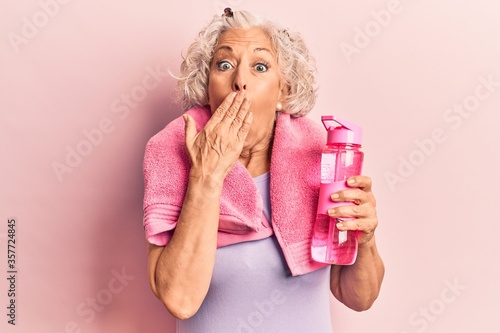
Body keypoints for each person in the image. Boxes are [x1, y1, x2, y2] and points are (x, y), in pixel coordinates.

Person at [142, 8, 384, 333]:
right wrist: (206, 176)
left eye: (260, 66)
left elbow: (359, 297)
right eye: (224, 65)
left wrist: (365, 238)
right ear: (207, 88)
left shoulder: (322, 155)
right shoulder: (171, 153)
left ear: (283, 91)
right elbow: (180, 300)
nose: (240, 81)